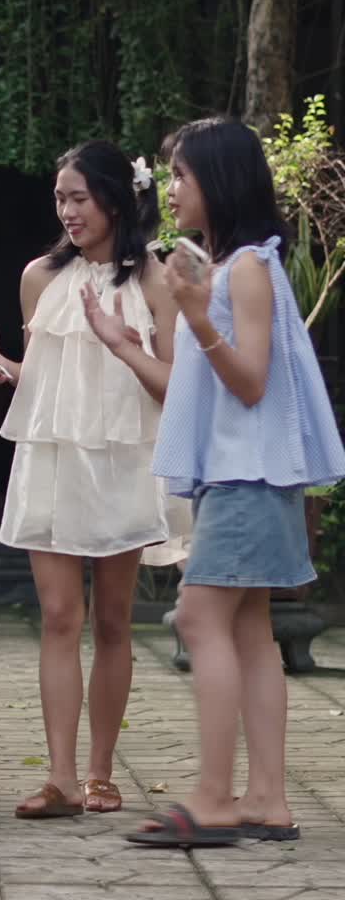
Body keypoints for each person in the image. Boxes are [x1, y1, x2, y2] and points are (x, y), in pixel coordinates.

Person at [127, 118, 345, 848]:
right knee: (248, 629)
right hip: (242, 474)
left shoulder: (248, 268)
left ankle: (215, 798)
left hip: (247, 475)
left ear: (217, 180)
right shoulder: (231, 267)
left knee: (198, 618)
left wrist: (195, 316)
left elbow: (250, 382)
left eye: (182, 175)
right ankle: (266, 800)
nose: (172, 188)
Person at [0, 141, 189, 819]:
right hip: (56, 457)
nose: (67, 210)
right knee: (61, 616)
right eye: (60, 198)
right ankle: (59, 777)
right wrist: (5, 368)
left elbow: (175, 386)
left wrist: (124, 344)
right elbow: (43, 375)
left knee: (115, 621)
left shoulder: (154, 278)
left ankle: (100, 772)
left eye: (79, 197)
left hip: (125, 457)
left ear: (117, 200)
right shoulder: (40, 277)